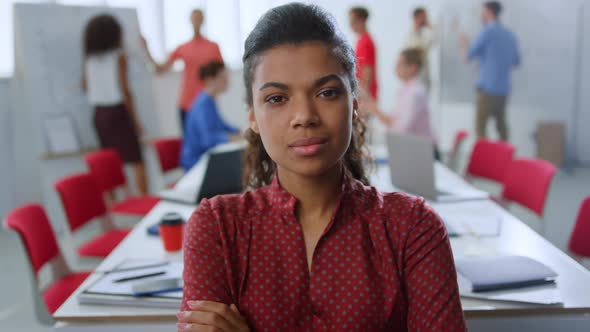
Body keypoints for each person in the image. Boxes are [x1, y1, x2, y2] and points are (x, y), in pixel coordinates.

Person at [176, 3, 465, 331]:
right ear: (253, 117)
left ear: (354, 106)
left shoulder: (413, 230)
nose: (304, 116)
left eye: (327, 92)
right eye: (276, 98)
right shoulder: (217, 229)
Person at [81, 14, 148, 196]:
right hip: (117, 112)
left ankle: (112, 201)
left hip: (99, 114)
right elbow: (125, 90)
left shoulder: (90, 59)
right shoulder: (118, 56)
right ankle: (144, 196)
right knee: (136, 159)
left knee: (107, 162)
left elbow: (84, 85)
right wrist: (136, 122)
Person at [142, 9, 223, 132]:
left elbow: (221, 75)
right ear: (190, 21)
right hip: (186, 104)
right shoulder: (183, 47)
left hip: (206, 103)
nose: (196, 21)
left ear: (203, 21)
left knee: (209, 143)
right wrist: (146, 49)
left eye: (199, 18)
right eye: (194, 18)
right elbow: (160, 69)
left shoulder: (213, 47)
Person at [462, 1, 520, 140]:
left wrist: (464, 43)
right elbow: (515, 62)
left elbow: (468, 56)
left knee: (480, 126)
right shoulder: (510, 35)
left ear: (489, 12)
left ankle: (485, 159)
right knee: (502, 126)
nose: (481, 15)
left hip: (487, 89)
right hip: (503, 89)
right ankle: (505, 158)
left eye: (482, 12)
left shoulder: (487, 32)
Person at [369, 48, 439, 160]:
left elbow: (402, 129)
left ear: (413, 67)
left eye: (400, 64)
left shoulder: (415, 93)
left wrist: (375, 112)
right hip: (414, 150)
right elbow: (393, 120)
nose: (395, 68)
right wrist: (374, 110)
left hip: (425, 153)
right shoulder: (404, 90)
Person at [180, 61, 240, 171]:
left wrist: (239, 131)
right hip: (196, 163)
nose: (227, 82)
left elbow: (221, 125)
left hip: (206, 159)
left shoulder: (209, 101)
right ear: (210, 79)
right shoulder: (203, 104)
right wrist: (232, 137)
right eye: (223, 78)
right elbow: (207, 139)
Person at [349, 6, 378, 102]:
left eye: (353, 21)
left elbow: (367, 69)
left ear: (361, 21)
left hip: (365, 94)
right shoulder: (362, 40)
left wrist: (363, 96)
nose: (350, 24)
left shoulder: (365, 41)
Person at [404, 7, 435, 90]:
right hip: (413, 78)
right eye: (423, 16)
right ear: (416, 18)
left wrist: (430, 27)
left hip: (423, 77)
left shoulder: (425, 34)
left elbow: (434, 42)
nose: (425, 19)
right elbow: (415, 49)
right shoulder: (409, 37)